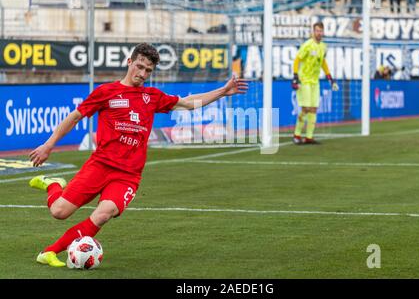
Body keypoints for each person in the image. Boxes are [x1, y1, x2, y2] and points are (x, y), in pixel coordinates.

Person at [28, 43, 248, 267]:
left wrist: (223, 91)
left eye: (148, 71)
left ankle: (50, 251)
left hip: (127, 176)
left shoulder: (152, 97)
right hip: (100, 166)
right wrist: (49, 145)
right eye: (140, 67)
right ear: (129, 62)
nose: (142, 74)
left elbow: (188, 103)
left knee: (104, 213)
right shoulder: (106, 92)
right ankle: (53, 184)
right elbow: (74, 117)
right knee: (59, 212)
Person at [291, 21, 339, 145]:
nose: (319, 33)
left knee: (313, 109)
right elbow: (297, 60)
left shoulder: (323, 46)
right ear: (313, 32)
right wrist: (295, 77)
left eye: (321, 31)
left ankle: (309, 137)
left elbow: (323, 62)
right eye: (317, 31)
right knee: (305, 108)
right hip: (304, 80)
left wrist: (330, 78)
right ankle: (296, 134)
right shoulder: (307, 45)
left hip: (315, 82)